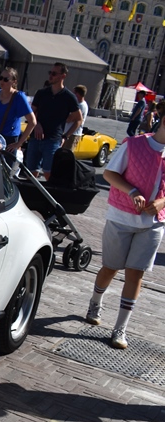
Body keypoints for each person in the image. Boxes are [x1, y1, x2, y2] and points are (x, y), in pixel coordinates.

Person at [84, 123, 165, 349]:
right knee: (110, 268)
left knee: (135, 274)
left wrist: (162, 202)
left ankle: (120, 328)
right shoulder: (135, 144)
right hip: (121, 218)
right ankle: (95, 302)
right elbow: (109, 173)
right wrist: (132, 191)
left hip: (153, 223)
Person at [25, 62, 82, 179]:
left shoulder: (69, 97)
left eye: (54, 73)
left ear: (63, 76)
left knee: (49, 174)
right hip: (35, 139)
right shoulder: (41, 93)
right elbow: (30, 113)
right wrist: (37, 124)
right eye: (50, 72)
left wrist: (65, 136)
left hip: (53, 140)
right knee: (30, 173)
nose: (50, 76)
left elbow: (78, 120)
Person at [0, 67, 36, 155]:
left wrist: (19, 143)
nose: (2, 81)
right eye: (0, 78)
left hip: (9, 140)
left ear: (14, 82)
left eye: (6, 79)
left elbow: (32, 122)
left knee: (6, 164)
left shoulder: (19, 97)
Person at [65, 84, 89, 151]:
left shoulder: (81, 106)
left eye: (74, 93)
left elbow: (69, 119)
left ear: (77, 94)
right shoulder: (77, 104)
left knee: (66, 153)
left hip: (73, 134)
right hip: (68, 133)